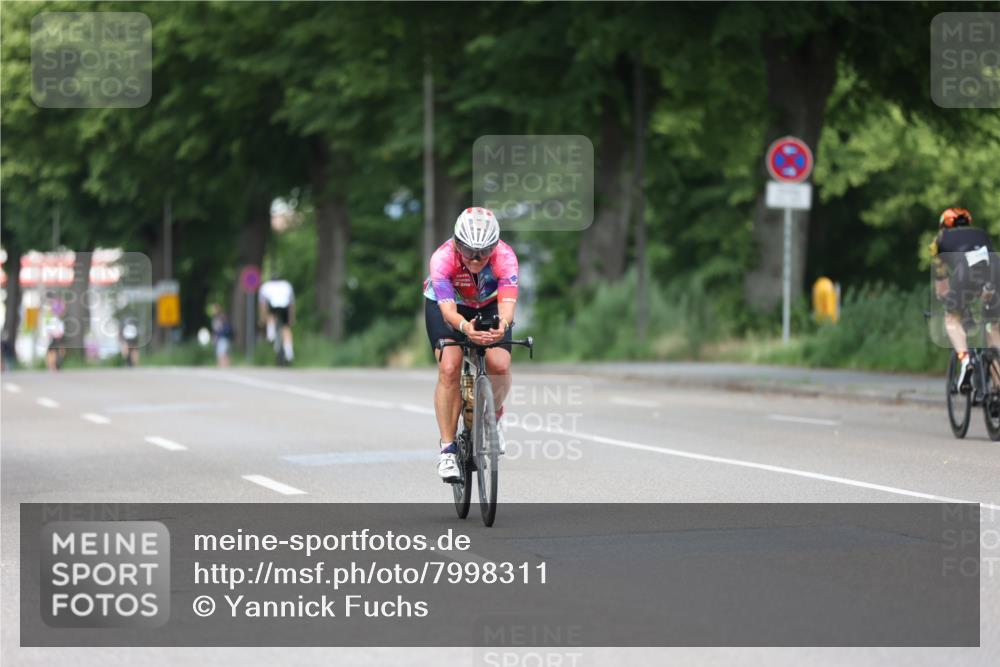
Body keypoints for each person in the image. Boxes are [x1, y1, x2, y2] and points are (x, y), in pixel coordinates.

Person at [424, 207, 518, 482]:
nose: (476, 259)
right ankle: (447, 450)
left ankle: (492, 417)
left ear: (495, 246)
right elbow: (448, 313)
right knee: (449, 366)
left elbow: (507, 307)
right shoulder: (442, 258)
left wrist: (502, 326)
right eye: (468, 252)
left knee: (499, 364)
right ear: (457, 243)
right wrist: (466, 328)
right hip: (451, 307)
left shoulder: (506, 256)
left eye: (484, 252)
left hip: (489, 305)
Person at [930, 207, 1000, 391]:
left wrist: (947, 299)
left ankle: (965, 360)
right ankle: (997, 386)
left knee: (951, 318)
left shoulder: (939, 240)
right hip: (995, 272)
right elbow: (987, 266)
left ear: (943, 226)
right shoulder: (981, 234)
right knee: (993, 327)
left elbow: (942, 286)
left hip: (965, 273)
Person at [258, 274, 295, 364]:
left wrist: (262, 319)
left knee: (271, 315)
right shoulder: (286, 285)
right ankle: (289, 352)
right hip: (285, 306)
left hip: (273, 305)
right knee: (286, 328)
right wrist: (291, 318)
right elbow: (292, 303)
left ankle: (271, 334)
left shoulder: (265, 286)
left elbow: (263, 305)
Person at [210, 303, 234, 368]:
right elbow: (215, 330)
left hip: (223, 338)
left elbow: (222, 329)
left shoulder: (221, 317)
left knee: (222, 354)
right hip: (220, 339)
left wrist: (217, 335)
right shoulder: (216, 318)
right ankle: (223, 367)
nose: (212, 311)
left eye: (214, 309)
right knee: (221, 354)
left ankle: (225, 367)